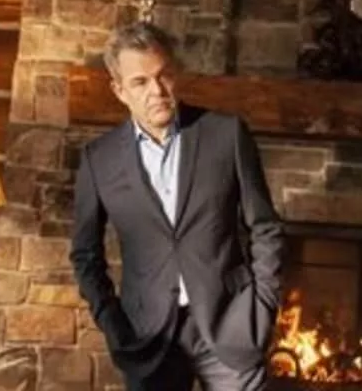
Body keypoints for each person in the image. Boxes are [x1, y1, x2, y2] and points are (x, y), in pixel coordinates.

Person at [69, 22, 286, 391]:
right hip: (148, 337)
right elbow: (86, 256)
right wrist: (114, 325)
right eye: (140, 82)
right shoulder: (98, 160)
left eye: (163, 75)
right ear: (119, 90)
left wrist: (261, 306)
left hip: (231, 326)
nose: (157, 91)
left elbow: (265, 227)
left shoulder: (226, 134)